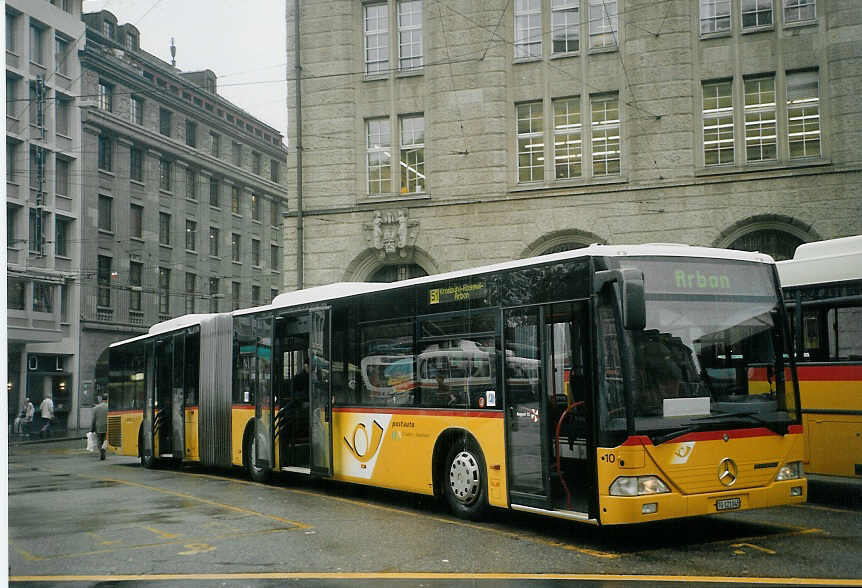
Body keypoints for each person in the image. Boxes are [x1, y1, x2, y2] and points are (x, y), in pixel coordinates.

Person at [91, 395, 108, 460]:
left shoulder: (96, 408)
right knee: (105, 440)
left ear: (101, 400)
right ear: (107, 399)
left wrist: (92, 429)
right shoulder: (109, 407)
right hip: (107, 426)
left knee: (99, 441)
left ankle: (101, 452)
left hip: (99, 427)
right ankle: (103, 452)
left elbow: (94, 419)